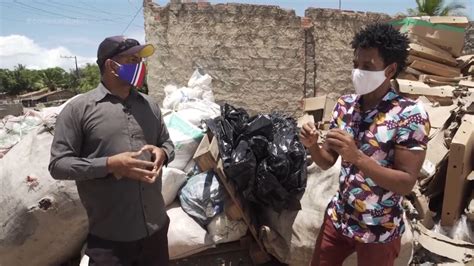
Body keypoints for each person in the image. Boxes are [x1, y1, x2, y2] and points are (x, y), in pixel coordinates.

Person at [300, 23, 430, 266]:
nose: (358, 72)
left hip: (379, 230)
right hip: (340, 218)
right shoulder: (345, 105)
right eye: (356, 65)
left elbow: (405, 183)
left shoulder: (409, 114)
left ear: (390, 70)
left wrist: (357, 157)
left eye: (367, 66)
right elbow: (328, 162)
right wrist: (313, 146)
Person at [49, 36, 175, 266]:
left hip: (156, 232)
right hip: (111, 240)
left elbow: (167, 143)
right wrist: (109, 164)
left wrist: (163, 153)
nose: (140, 65)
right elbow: (58, 165)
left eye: (140, 60)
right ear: (111, 65)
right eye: (132, 59)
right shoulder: (79, 109)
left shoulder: (150, 106)